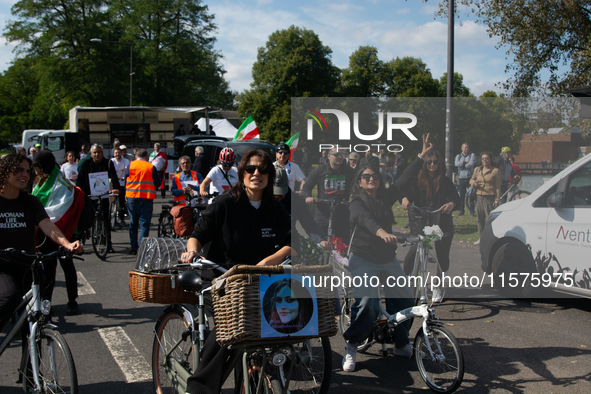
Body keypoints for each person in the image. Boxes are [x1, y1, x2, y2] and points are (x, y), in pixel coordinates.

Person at [181, 149, 291, 394]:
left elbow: (291, 240)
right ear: (241, 173)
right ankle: (198, 388)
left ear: (269, 176)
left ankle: (253, 372)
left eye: (263, 169)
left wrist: (271, 259)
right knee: (230, 326)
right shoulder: (224, 203)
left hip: (257, 278)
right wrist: (192, 252)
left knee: (279, 319)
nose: (256, 173)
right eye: (250, 169)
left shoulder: (274, 208)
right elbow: (197, 236)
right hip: (221, 277)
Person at [342, 134, 434, 373]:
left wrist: (421, 156)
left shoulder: (385, 196)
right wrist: (381, 231)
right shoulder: (356, 202)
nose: (371, 178)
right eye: (366, 176)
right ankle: (352, 345)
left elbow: (404, 180)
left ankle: (401, 343)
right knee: (367, 303)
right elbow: (365, 220)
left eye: (375, 176)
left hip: (387, 258)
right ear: (360, 181)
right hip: (363, 259)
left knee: (405, 299)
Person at [0, 154, 82, 331]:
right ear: (5, 172)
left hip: (27, 266)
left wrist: (67, 244)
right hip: (3, 267)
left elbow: (47, 225)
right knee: (10, 297)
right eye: (19, 170)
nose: (26, 175)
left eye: (28, 171)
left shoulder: (30, 202)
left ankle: (32, 356)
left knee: (35, 321)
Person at [401, 150, 461, 303]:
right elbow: (405, 192)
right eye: (429, 162)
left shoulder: (445, 181)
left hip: (442, 220)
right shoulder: (417, 180)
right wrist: (404, 199)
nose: (432, 165)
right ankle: (406, 282)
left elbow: (456, 199)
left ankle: (439, 286)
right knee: (413, 251)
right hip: (422, 219)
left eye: (435, 162)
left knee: (442, 254)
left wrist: (451, 204)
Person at [32, 151, 85, 315]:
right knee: (48, 269)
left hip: (61, 230)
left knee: (66, 265)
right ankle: (46, 303)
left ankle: (72, 300)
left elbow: (58, 210)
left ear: (41, 167)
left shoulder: (60, 183)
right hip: (46, 231)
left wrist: (38, 220)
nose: (33, 170)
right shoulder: (42, 180)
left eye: (35, 167)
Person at [274, 167, 330, 261]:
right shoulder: (261, 199)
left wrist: (320, 239)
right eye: (274, 191)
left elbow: (308, 222)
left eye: (281, 191)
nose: (277, 195)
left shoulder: (295, 199)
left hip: (289, 244)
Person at [302, 147, 355, 240]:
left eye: (342, 155)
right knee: (317, 238)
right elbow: (307, 186)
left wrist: (354, 199)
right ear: (329, 156)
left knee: (344, 242)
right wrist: (308, 197)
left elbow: (358, 187)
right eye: (337, 154)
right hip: (323, 212)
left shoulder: (349, 172)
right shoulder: (320, 170)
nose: (340, 157)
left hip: (342, 212)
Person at [76, 144, 120, 253]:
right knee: (85, 218)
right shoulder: (86, 164)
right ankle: (77, 243)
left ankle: (108, 245)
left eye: (99, 152)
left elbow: (114, 176)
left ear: (102, 153)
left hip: (103, 195)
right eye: (95, 152)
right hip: (89, 195)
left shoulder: (108, 163)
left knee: (106, 219)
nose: (97, 154)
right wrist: (80, 191)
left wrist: (116, 188)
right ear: (91, 154)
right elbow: (80, 179)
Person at [126, 149, 160, 255]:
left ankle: (133, 246)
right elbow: (157, 182)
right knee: (144, 224)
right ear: (146, 157)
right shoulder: (150, 167)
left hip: (132, 197)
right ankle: (141, 247)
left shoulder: (130, 165)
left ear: (136, 156)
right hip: (147, 198)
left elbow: (125, 180)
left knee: (133, 223)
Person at [471, 151, 501, 244]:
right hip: (479, 196)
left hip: (489, 197)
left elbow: (498, 186)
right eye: (483, 158)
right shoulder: (477, 169)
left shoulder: (495, 171)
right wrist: (473, 184)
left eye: (487, 158)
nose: (484, 160)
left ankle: (490, 238)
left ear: (491, 160)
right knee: (480, 219)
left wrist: (497, 199)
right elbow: (471, 179)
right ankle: (481, 238)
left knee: (489, 219)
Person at [455, 142, 476, 216]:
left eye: (468, 147)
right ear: (462, 148)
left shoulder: (472, 155)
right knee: (461, 196)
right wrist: (464, 162)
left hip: (470, 178)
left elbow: (471, 164)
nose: (467, 149)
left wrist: (461, 164)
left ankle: (472, 211)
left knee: (471, 195)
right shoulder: (458, 156)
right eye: (465, 147)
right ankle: (461, 210)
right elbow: (456, 164)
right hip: (461, 178)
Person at [111, 147, 130, 224]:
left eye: (119, 152)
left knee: (122, 201)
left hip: (122, 183)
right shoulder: (111, 161)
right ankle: (112, 216)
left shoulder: (126, 161)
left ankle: (122, 219)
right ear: (113, 154)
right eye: (116, 153)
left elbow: (127, 171)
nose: (117, 154)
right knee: (111, 200)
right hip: (113, 183)